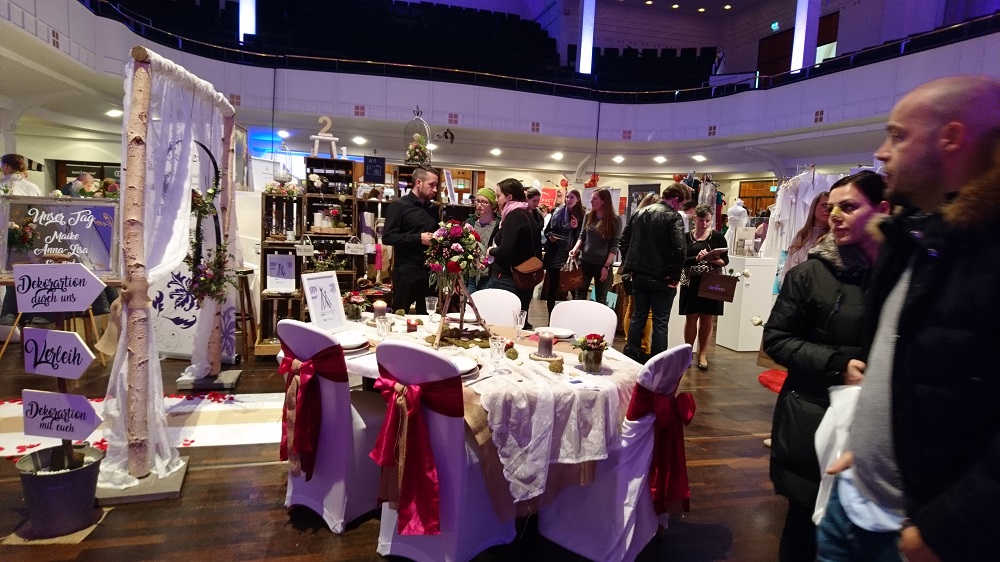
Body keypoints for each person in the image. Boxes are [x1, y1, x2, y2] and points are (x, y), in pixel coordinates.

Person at [817, 75, 1000, 562]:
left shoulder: (984, 252)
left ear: (952, 138)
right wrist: (869, 448)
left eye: (898, 136)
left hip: (921, 532)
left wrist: (948, 526)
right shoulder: (911, 237)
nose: (882, 153)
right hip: (856, 497)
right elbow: (903, 362)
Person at [763, 171, 889, 562]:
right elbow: (777, 339)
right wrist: (838, 364)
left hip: (878, 427)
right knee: (804, 527)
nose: (834, 215)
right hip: (813, 415)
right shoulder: (809, 274)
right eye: (831, 207)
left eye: (848, 207)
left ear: (883, 210)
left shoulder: (902, 276)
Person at [619, 182, 687, 363]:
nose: (680, 208)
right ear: (675, 199)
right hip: (662, 278)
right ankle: (657, 362)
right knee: (660, 322)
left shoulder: (639, 213)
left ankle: (631, 356)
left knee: (638, 316)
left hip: (639, 276)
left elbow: (623, 241)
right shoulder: (673, 217)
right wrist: (675, 275)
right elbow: (680, 249)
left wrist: (631, 265)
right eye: (681, 204)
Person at [382, 166, 440, 314]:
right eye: (431, 185)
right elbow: (388, 237)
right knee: (399, 316)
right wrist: (418, 238)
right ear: (418, 182)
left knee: (428, 317)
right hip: (405, 271)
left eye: (436, 185)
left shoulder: (433, 209)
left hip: (429, 272)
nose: (435, 189)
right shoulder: (398, 206)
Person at [679, 204, 730, 370]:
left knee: (707, 318)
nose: (705, 224)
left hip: (711, 281)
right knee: (691, 317)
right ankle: (688, 353)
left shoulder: (717, 237)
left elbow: (725, 260)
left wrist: (715, 260)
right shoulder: (686, 237)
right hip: (691, 281)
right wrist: (697, 258)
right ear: (695, 219)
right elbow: (681, 260)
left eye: (708, 221)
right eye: (702, 220)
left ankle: (702, 354)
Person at [487, 178, 543, 318]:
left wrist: (491, 251)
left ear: (509, 197)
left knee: (500, 320)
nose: (497, 200)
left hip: (508, 278)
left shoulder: (513, 216)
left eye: (498, 195)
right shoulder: (527, 214)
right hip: (525, 278)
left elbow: (506, 250)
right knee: (517, 320)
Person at [569, 188, 622, 306]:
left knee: (601, 299)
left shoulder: (615, 219)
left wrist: (606, 266)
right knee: (579, 296)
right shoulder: (589, 215)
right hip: (584, 261)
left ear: (603, 201)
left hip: (602, 264)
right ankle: (579, 318)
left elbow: (614, 245)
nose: (591, 201)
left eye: (594, 198)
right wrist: (575, 249)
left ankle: (598, 319)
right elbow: (582, 235)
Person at [542, 188, 584, 316]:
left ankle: (576, 314)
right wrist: (550, 237)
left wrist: (575, 227)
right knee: (553, 286)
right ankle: (551, 315)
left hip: (570, 254)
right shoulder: (558, 212)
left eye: (572, 197)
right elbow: (547, 231)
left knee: (572, 285)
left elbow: (582, 237)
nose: (568, 200)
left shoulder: (582, 215)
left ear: (577, 200)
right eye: (567, 197)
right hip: (555, 252)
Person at [780, 191, 830, 285]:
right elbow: (787, 269)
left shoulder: (832, 240)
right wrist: (786, 287)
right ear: (814, 207)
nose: (828, 209)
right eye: (824, 205)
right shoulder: (801, 236)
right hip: (793, 288)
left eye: (832, 207)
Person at [465, 186, 499, 294]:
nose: (479, 205)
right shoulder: (471, 222)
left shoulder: (499, 224)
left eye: (484, 202)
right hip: (471, 275)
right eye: (478, 201)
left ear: (492, 205)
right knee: (469, 303)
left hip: (490, 275)